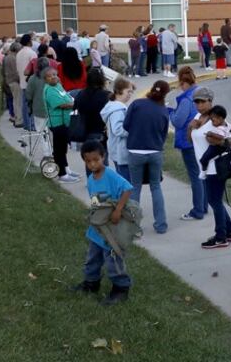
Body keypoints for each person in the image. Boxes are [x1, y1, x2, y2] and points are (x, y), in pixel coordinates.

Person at [70, 140, 134, 306]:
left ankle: (121, 288)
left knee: (113, 258)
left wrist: (118, 210)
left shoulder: (110, 175)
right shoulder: (91, 178)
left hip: (112, 228)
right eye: (88, 161)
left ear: (103, 157)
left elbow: (127, 188)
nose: (92, 164)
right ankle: (91, 283)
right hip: (97, 227)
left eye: (96, 160)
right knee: (92, 257)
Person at [190, 99, 231, 249]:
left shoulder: (217, 120)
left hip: (215, 168)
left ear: (210, 102)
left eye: (203, 101)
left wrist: (220, 141)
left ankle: (220, 237)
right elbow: (190, 139)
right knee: (216, 201)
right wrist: (190, 127)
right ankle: (230, 232)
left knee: (214, 201)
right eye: (196, 102)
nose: (199, 105)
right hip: (207, 167)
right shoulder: (199, 118)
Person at [123, 81, 170, 234]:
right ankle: (161, 224)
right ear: (165, 94)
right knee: (155, 186)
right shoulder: (163, 111)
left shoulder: (137, 104)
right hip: (155, 152)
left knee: (135, 187)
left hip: (135, 152)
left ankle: (133, 226)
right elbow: (163, 134)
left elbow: (126, 125)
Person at [168, 67, 208, 221]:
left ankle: (197, 210)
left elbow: (178, 122)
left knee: (195, 176)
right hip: (201, 141)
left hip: (188, 141)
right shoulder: (201, 94)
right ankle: (203, 205)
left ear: (183, 82)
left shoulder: (186, 100)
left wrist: (170, 112)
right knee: (202, 174)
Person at [43, 67, 79, 183]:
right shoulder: (49, 90)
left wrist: (72, 102)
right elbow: (62, 104)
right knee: (59, 149)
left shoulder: (58, 85)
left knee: (63, 147)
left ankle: (67, 170)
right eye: (50, 76)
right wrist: (75, 104)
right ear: (45, 79)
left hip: (65, 122)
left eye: (55, 74)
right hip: (57, 123)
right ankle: (62, 174)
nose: (54, 77)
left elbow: (67, 97)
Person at [101, 77, 133, 182]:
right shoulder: (118, 110)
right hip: (121, 150)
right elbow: (118, 129)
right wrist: (134, 131)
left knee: (122, 180)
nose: (130, 94)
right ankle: (125, 199)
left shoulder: (113, 106)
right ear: (119, 91)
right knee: (126, 183)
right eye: (128, 91)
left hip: (116, 149)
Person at [74, 68, 110, 148]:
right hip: (100, 131)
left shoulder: (80, 94)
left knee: (89, 158)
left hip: (84, 131)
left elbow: (75, 109)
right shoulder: (106, 95)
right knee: (101, 158)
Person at [25, 57, 53, 155]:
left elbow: (28, 95)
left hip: (39, 109)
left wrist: (30, 102)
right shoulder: (53, 77)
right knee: (52, 131)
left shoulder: (33, 79)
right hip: (53, 109)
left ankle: (47, 153)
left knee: (42, 132)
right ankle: (53, 151)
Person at [16, 34, 38, 131]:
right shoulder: (32, 53)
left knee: (25, 104)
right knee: (32, 104)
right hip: (31, 82)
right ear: (29, 42)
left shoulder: (19, 53)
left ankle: (26, 124)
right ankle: (32, 124)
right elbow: (35, 69)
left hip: (22, 81)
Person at [3, 42, 22, 127]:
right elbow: (15, 72)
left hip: (9, 81)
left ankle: (15, 118)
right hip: (14, 81)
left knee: (15, 101)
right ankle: (18, 120)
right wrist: (20, 80)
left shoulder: (7, 57)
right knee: (17, 101)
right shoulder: (12, 58)